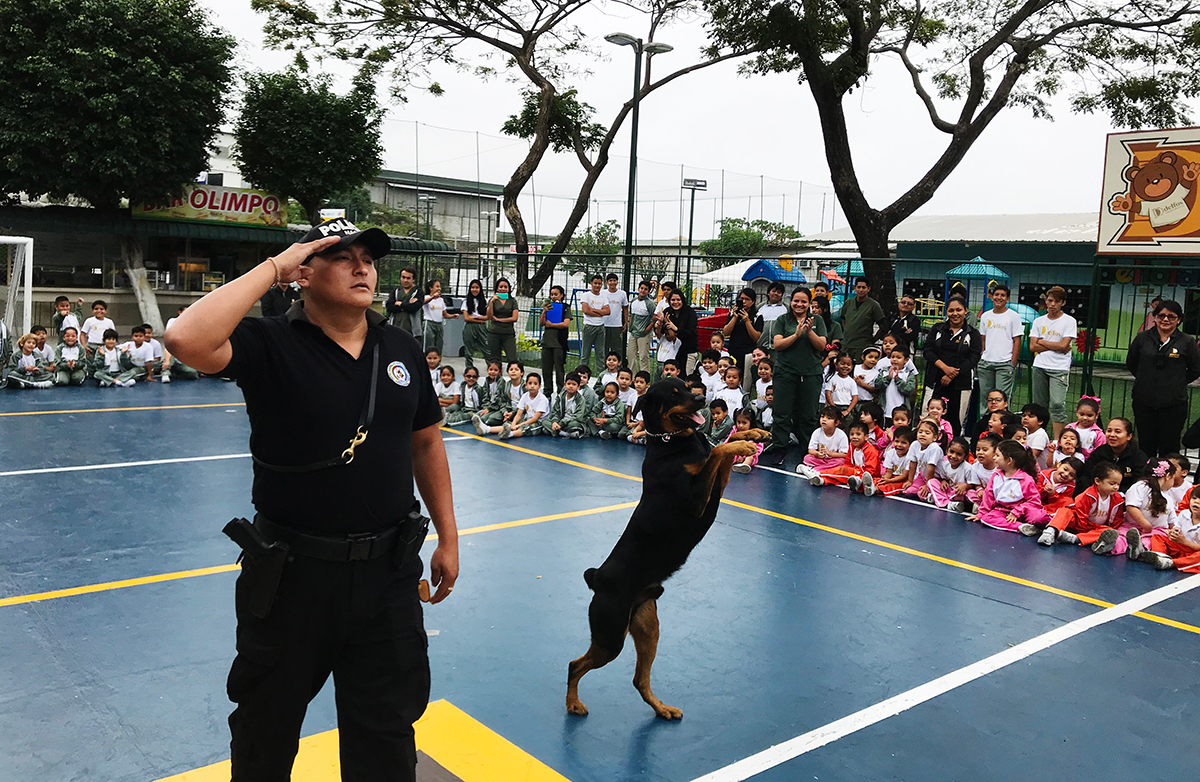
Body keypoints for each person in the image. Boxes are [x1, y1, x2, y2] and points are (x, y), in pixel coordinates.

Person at [162, 219, 458, 782]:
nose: (363, 266)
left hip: (387, 575)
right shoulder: (271, 342)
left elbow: (426, 441)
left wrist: (449, 534)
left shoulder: (398, 346)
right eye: (343, 256)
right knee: (265, 730)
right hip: (291, 577)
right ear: (305, 272)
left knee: (387, 730)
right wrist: (275, 266)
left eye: (368, 257)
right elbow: (185, 340)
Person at [1126, 298, 1200, 458]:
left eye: (1171, 316)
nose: (1165, 319)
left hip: (1173, 404)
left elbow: (1196, 368)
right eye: (1161, 315)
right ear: (1155, 317)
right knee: (1146, 444)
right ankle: (1146, 479)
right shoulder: (1142, 338)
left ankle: (1169, 479)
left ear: (1179, 319)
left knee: (1170, 445)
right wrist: (1145, 378)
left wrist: (1177, 382)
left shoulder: (1187, 342)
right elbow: (1131, 362)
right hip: (1143, 401)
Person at [762, 287, 828, 466]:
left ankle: (807, 449)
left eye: (803, 301)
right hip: (785, 372)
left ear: (809, 304)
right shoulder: (783, 320)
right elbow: (777, 344)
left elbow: (822, 345)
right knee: (782, 412)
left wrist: (809, 331)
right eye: (796, 301)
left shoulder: (817, 320)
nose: (799, 304)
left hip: (810, 373)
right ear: (791, 302)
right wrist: (796, 334)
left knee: (808, 414)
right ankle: (779, 447)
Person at [923, 297, 981, 436]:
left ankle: (952, 453)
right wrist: (944, 368)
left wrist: (952, 374)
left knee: (956, 422)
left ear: (965, 311)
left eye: (959, 310)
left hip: (961, 383)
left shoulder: (973, 334)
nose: (955, 313)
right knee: (930, 421)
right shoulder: (937, 329)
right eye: (951, 310)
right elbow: (927, 351)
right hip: (935, 380)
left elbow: (974, 357)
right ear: (947, 312)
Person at [1034, 462, 1124, 548]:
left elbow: (1117, 519)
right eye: (1112, 484)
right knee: (1064, 511)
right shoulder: (1088, 495)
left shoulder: (1118, 500)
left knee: (1110, 531)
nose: (1116, 487)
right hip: (1078, 524)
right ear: (1097, 481)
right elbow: (1081, 514)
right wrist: (1081, 530)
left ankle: (1074, 539)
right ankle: (1050, 531)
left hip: (1093, 528)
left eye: (1118, 484)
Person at [966, 440, 1048, 533]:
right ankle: (1022, 527)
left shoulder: (1025, 479)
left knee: (1039, 517)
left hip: (1024, 511)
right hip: (1002, 511)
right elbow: (988, 497)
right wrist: (981, 514)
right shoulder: (996, 476)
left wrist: (1017, 511)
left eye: (997, 455)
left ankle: (1051, 527)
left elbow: (1034, 502)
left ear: (1009, 460)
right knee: (986, 519)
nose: (994, 458)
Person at [1028, 286, 1077, 438]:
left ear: (1063, 303)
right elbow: (1032, 346)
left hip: (1059, 368)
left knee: (1057, 404)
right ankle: (1038, 437)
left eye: (1056, 301)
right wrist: (1056, 346)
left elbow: (1064, 346)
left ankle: (1057, 440)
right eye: (1050, 300)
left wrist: (1043, 342)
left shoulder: (1069, 321)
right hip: (1040, 366)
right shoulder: (1038, 321)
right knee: (1039, 405)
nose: (1052, 304)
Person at [976, 284, 1024, 416]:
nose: (999, 298)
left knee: (1001, 399)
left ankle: (1001, 429)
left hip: (1004, 363)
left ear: (1007, 299)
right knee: (986, 398)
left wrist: (1012, 362)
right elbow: (983, 339)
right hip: (986, 363)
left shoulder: (1013, 316)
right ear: (991, 297)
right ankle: (984, 428)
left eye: (1003, 295)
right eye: (996, 295)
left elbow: (1017, 341)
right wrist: (982, 355)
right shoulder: (986, 316)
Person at [1073, 417, 1148, 496]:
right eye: (1109, 431)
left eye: (1117, 432)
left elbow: (1138, 484)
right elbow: (1086, 476)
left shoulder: (1139, 457)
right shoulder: (1099, 452)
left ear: (1129, 436)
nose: (1112, 435)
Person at [811, 419, 881, 489]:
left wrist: (857, 476)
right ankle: (822, 480)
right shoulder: (851, 446)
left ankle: (818, 473)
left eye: (858, 434)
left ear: (866, 437)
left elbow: (870, 471)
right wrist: (847, 471)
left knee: (842, 471)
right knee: (841, 475)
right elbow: (848, 463)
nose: (854, 437)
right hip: (854, 472)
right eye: (852, 434)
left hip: (866, 476)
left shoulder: (871, 451)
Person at [838, 277, 886, 360]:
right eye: (858, 287)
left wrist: (872, 340)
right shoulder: (848, 303)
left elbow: (883, 326)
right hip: (847, 345)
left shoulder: (873, 305)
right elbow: (844, 320)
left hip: (862, 346)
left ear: (868, 289)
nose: (861, 290)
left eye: (864, 287)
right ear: (854, 288)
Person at [796, 406, 849, 478]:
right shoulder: (817, 432)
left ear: (836, 422)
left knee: (841, 462)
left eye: (829, 418)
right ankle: (822, 469)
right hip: (821, 459)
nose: (824, 420)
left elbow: (845, 454)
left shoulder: (841, 435)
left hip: (834, 459)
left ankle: (815, 470)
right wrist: (817, 453)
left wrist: (832, 454)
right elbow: (811, 450)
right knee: (807, 458)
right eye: (822, 417)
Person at [539, 285, 571, 398]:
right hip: (547, 342)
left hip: (559, 342)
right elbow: (541, 323)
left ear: (561, 295)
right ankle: (547, 391)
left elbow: (566, 324)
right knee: (546, 368)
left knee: (559, 368)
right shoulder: (548, 307)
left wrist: (552, 325)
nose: (553, 297)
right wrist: (544, 312)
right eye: (551, 294)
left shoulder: (565, 307)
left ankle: (560, 391)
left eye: (555, 294)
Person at [872, 344, 918, 423]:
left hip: (901, 414)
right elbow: (878, 385)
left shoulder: (908, 374)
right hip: (885, 412)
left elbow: (909, 390)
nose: (895, 360)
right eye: (892, 357)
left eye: (899, 357)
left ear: (906, 360)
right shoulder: (884, 371)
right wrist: (888, 378)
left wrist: (897, 379)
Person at [542, 372, 595, 439]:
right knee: (544, 421)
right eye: (569, 384)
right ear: (565, 385)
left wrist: (562, 423)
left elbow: (578, 417)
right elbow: (555, 412)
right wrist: (555, 422)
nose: (571, 386)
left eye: (574, 384)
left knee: (575, 424)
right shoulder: (560, 397)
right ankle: (564, 433)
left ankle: (556, 431)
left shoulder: (581, 400)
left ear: (578, 387)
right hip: (560, 421)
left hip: (571, 422)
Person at [722, 287, 761, 376]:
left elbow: (756, 337)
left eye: (747, 299)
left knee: (745, 378)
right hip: (733, 350)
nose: (744, 301)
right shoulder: (733, 314)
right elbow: (726, 332)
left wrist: (747, 321)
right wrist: (735, 317)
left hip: (748, 352)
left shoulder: (757, 316)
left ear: (753, 301)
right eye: (741, 299)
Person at [660, 290, 700, 374]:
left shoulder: (690, 313)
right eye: (673, 300)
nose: (675, 302)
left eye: (678, 300)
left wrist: (676, 329)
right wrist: (659, 324)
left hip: (689, 350)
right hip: (672, 351)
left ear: (682, 300)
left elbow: (690, 332)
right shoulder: (667, 312)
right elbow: (663, 332)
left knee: (687, 376)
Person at [873, 426, 916, 497]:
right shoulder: (890, 453)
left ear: (910, 445)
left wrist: (889, 481)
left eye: (904, 443)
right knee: (877, 480)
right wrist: (885, 479)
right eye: (896, 441)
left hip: (903, 480)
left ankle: (876, 490)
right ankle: (867, 485)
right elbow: (888, 472)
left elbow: (905, 476)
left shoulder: (911, 457)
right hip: (893, 477)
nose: (899, 445)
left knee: (893, 486)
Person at [485, 278, 520, 365]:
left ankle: (514, 376)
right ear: (497, 288)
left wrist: (499, 319)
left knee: (512, 359)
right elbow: (489, 316)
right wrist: (492, 302)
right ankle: (497, 377)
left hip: (508, 333)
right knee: (495, 360)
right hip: (494, 333)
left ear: (508, 289)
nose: (503, 289)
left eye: (505, 287)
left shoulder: (512, 301)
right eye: (501, 287)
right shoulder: (492, 300)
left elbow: (514, 318)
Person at [579, 275, 610, 370]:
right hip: (589, 326)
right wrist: (600, 312)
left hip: (600, 327)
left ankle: (600, 374)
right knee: (585, 353)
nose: (597, 285)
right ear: (591, 284)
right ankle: (583, 373)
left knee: (600, 353)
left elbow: (608, 311)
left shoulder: (603, 297)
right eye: (595, 283)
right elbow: (586, 310)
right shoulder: (586, 295)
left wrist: (593, 310)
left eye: (599, 283)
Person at [626, 280, 655, 376]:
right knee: (630, 355)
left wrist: (647, 329)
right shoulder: (633, 301)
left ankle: (644, 378)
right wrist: (631, 326)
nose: (643, 291)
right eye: (641, 288)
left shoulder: (650, 304)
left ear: (648, 291)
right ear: (638, 289)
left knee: (643, 357)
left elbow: (654, 318)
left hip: (644, 335)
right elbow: (630, 315)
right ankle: (633, 377)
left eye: (646, 289)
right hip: (634, 333)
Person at [385, 267, 424, 338]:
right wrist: (407, 306)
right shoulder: (396, 291)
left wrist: (400, 304)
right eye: (403, 277)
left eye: (408, 278)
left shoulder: (418, 292)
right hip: (395, 329)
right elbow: (389, 306)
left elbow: (414, 307)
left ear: (413, 280)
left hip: (412, 332)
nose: (405, 280)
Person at [460, 279, 490, 372]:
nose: (475, 290)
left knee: (486, 348)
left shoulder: (484, 302)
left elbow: (487, 317)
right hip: (470, 326)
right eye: (473, 287)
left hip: (481, 327)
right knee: (468, 349)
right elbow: (466, 318)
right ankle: (469, 368)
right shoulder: (466, 302)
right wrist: (479, 319)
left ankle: (491, 367)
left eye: (477, 287)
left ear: (480, 289)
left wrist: (474, 317)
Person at [421, 279, 457, 354]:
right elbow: (423, 303)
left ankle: (438, 361)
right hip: (429, 323)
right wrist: (432, 297)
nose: (439, 288)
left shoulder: (441, 300)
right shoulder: (426, 297)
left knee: (439, 344)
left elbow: (445, 314)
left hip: (439, 324)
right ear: (431, 288)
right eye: (437, 286)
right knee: (429, 344)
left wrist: (453, 316)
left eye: (440, 287)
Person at [729, 408, 767, 475]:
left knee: (750, 457)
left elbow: (757, 448)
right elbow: (728, 441)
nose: (741, 425)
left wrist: (743, 455)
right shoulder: (734, 431)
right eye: (739, 422)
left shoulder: (755, 433)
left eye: (744, 423)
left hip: (747, 454)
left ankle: (745, 465)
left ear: (751, 423)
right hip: (735, 452)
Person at [754, 282, 788, 350]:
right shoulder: (760, 307)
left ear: (781, 295)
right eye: (773, 291)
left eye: (778, 292)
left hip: (779, 348)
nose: (776, 294)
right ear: (768, 293)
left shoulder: (787, 308)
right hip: (762, 347)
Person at [603, 273, 628, 362]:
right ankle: (605, 367)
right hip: (604, 324)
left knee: (617, 348)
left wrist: (625, 322)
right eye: (610, 281)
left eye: (614, 280)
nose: (612, 282)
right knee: (604, 348)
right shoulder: (602, 293)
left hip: (617, 325)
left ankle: (618, 366)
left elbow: (625, 308)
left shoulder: (622, 293)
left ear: (617, 282)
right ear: (607, 282)